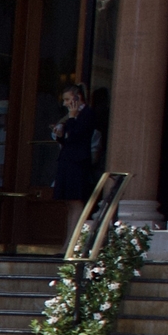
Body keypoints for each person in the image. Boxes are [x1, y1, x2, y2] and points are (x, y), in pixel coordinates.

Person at [51, 81, 96, 229]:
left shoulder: (87, 114)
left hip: (78, 163)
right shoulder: (71, 116)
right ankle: (67, 244)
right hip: (67, 161)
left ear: (77, 98)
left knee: (76, 201)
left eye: (67, 99)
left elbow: (77, 135)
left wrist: (71, 118)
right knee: (68, 203)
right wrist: (59, 134)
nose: (65, 104)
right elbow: (67, 140)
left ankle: (72, 243)